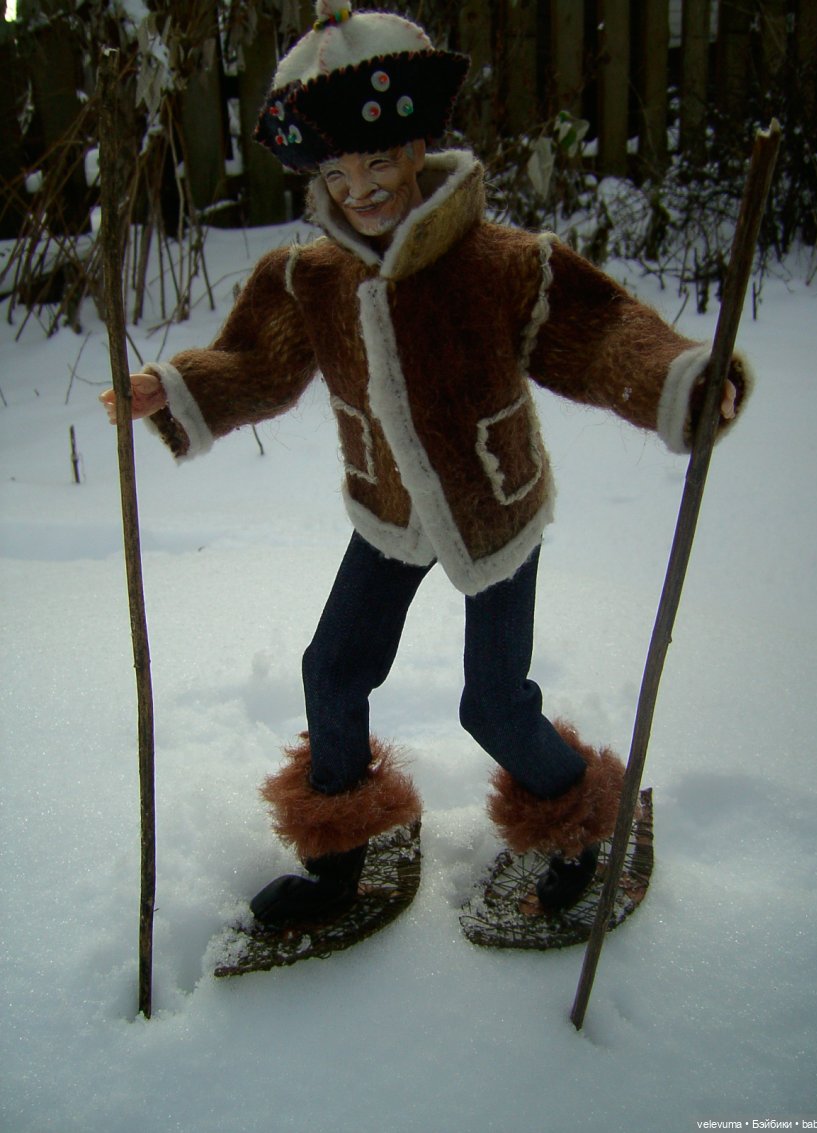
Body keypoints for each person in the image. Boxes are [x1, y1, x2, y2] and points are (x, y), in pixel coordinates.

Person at [101, 1, 750, 927]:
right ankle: (337, 863)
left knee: (493, 705)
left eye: (376, 163)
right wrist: (170, 389)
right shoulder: (312, 279)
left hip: (492, 507)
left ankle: (580, 826)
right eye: (336, 172)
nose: (359, 188)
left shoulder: (500, 264)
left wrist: (680, 382)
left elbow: (601, 333)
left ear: (413, 150)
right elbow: (255, 364)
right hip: (389, 510)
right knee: (332, 668)